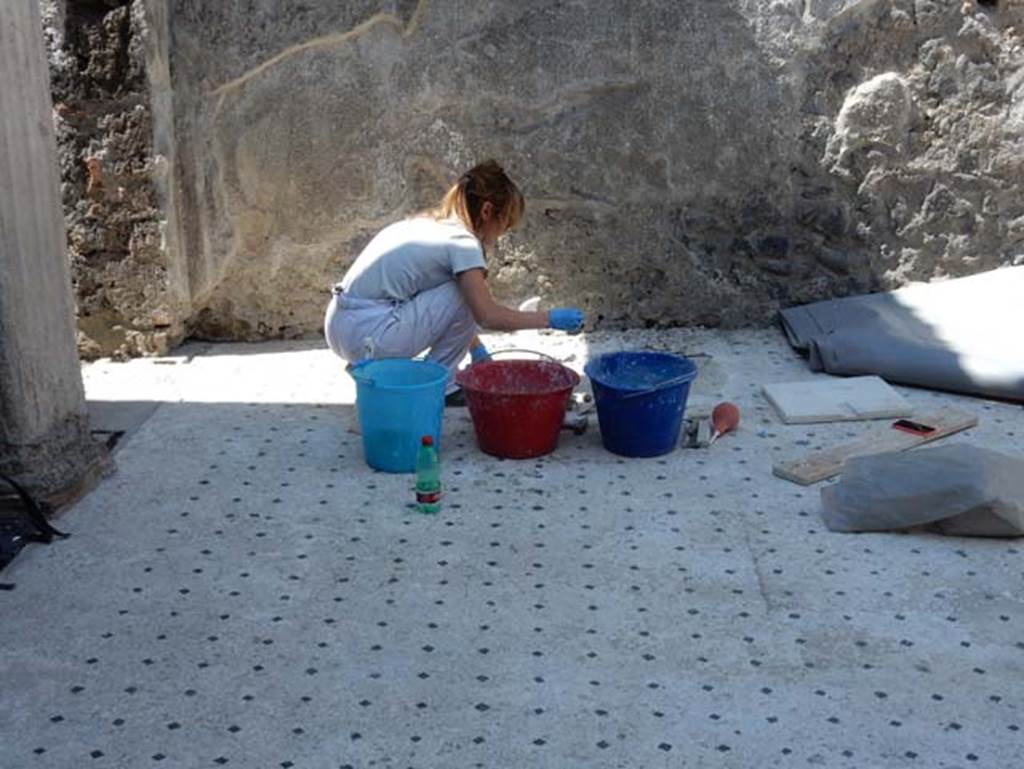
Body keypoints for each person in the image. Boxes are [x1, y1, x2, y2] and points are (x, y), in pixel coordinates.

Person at [324, 160, 585, 404]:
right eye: (505, 224)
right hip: (368, 335)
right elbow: (486, 315)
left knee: (462, 292)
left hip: (340, 326)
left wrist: (477, 350)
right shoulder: (463, 244)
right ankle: (444, 387)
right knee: (467, 296)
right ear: (487, 211)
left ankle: (373, 365)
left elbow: (443, 308)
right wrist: (549, 319)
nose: (503, 234)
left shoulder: (427, 225)